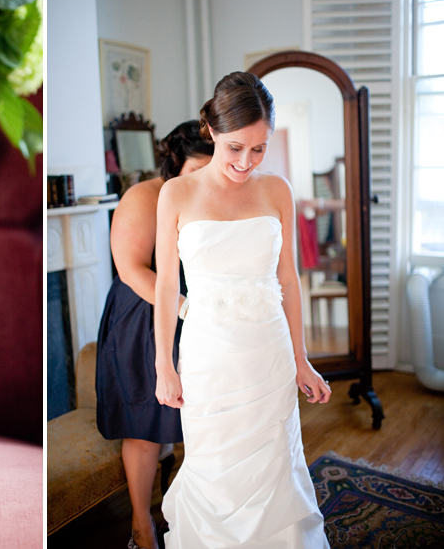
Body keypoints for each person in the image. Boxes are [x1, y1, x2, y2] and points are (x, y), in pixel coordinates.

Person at [154, 72, 331, 548]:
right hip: (209, 356)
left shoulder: (278, 191)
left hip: (268, 351)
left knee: (275, 464)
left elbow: (288, 280)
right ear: (209, 130)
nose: (246, 161)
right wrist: (163, 365)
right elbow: (167, 286)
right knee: (214, 467)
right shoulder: (176, 194)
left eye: (259, 148)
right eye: (236, 147)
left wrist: (301, 359)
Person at [96, 120, 214, 549]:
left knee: (198, 423)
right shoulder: (143, 197)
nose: (206, 181)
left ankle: (188, 513)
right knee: (147, 426)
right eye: (197, 171)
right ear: (174, 164)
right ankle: (141, 523)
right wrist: (188, 310)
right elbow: (131, 270)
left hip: (201, 317)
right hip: (145, 317)